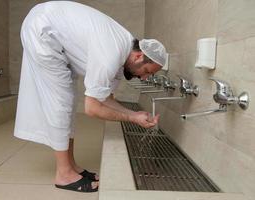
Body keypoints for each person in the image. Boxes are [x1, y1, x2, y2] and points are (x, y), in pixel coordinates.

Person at [14, 1, 167, 193]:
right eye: (146, 71)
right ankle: (64, 174)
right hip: (42, 29)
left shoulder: (123, 57)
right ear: (138, 57)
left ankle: (71, 166)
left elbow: (105, 99)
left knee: (67, 101)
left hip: (50, 27)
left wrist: (135, 116)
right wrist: (131, 117)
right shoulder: (111, 55)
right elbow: (92, 108)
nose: (144, 78)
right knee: (61, 103)